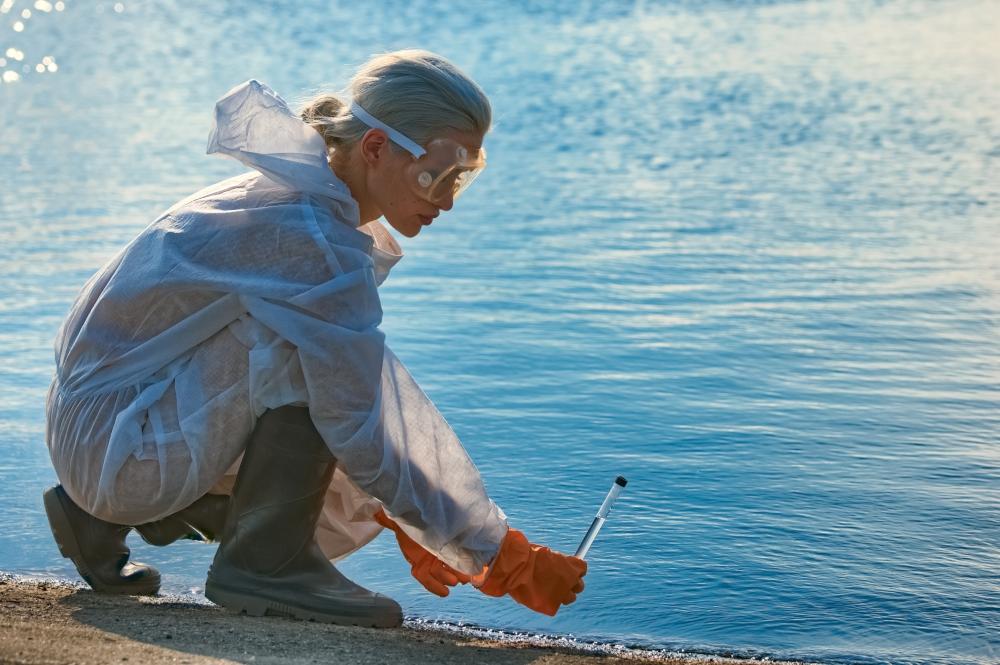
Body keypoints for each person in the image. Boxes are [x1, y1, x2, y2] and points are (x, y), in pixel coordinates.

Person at [42, 50, 587, 628]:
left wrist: (421, 522)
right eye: (436, 173)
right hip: (122, 454)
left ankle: (101, 520)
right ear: (375, 147)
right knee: (313, 364)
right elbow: (357, 418)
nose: (447, 199)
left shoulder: (287, 195)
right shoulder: (312, 240)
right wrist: (497, 554)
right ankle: (265, 564)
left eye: (464, 177)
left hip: (98, 437)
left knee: (333, 375)